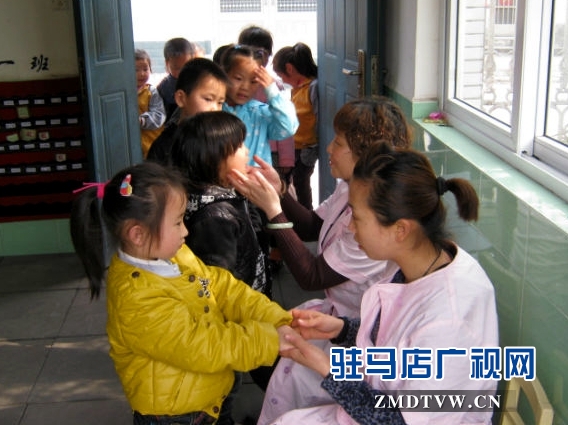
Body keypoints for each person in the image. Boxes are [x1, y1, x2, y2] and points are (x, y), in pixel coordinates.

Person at [269, 143, 499, 425]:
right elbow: (402, 340)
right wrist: (343, 329)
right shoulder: (421, 263)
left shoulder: (448, 320)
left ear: (400, 229)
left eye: (357, 217)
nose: (350, 228)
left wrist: (326, 368)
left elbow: (399, 420)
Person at [69, 161, 296, 425]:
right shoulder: (137, 299)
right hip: (178, 415)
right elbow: (202, 345)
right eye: (177, 222)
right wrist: (270, 340)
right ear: (138, 235)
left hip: (209, 394)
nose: (186, 231)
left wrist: (275, 317)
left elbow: (221, 287)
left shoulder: (171, 254)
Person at [228, 97, 414, 400]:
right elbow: (313, 225)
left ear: (364, 154)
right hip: (338, 317)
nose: (328, 149)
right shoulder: (349, 188)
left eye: (338, 143)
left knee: (288, 376)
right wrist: (280, 191)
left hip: (357, 330)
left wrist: (274, 211)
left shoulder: (376, 219)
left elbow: (311, 276)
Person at [170, 110, 274, 424]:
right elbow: (219, 283)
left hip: (247, 310)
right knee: (230, 386)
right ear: (214, 160)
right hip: (235, 319)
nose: (247, 150)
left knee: (266, 369)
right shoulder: (215, 218)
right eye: (239, 147)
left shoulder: (220, 198)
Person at [219, 43, 299, 167]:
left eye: (253, 81)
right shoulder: (214, 111)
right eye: (238, 78)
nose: (245, 87)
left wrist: (272, 92)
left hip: (256, 178)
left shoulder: (260, 113)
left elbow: (288, 127)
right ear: (223, 75)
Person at [238, 26, 296, 185]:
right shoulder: (232, 84)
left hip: (270, 152)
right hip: (240, 150)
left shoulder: (273, 87)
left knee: (269, 189)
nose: (257, 56)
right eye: (251, 51)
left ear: (269, 56)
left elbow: (283, 122)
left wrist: (286, 158)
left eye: (262, 52)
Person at [147, 57, 229, 164]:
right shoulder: (165, 147)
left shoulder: (219, 141)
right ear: (181, 98)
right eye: (208, 99)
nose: (215, 109)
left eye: (220, 102)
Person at [273, 42, 318, 209]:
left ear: (290, 69)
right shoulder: (296, 89)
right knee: (287, 178)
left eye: (281, 75)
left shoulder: (312, 88)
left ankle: (307, 212)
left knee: (301, 180)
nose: (282, 80)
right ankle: (291, 210)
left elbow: (319, 119)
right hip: (294, 144)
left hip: (308, 147)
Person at [157, 37, 203, 121]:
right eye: (176, 68)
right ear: (167, 63)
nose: (181, 72)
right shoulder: (163, 87)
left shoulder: (198, 82)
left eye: (186, 66)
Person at [135, 49, 166, 158]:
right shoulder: (124, 94)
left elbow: (159, 115)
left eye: (145, 69)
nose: (142, 74)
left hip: (152, 143)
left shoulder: (151, 92)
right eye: (136, 70)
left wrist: (143, 120)